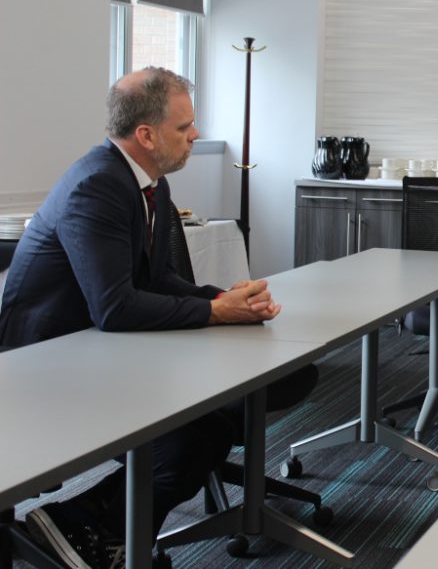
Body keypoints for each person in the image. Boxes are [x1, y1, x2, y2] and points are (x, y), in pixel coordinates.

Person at [0, 68, 315, 569]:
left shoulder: (151, 185)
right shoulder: (98, 185)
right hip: (44, 367)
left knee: (215, 421)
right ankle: (80, 526)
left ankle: (93, 526)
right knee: (192, 434)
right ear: (145, 135)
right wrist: (215, 311)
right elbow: (116, 305)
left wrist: (228, 300)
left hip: (106, 350)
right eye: (185, 126)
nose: (196, 135)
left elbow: (159, 279)